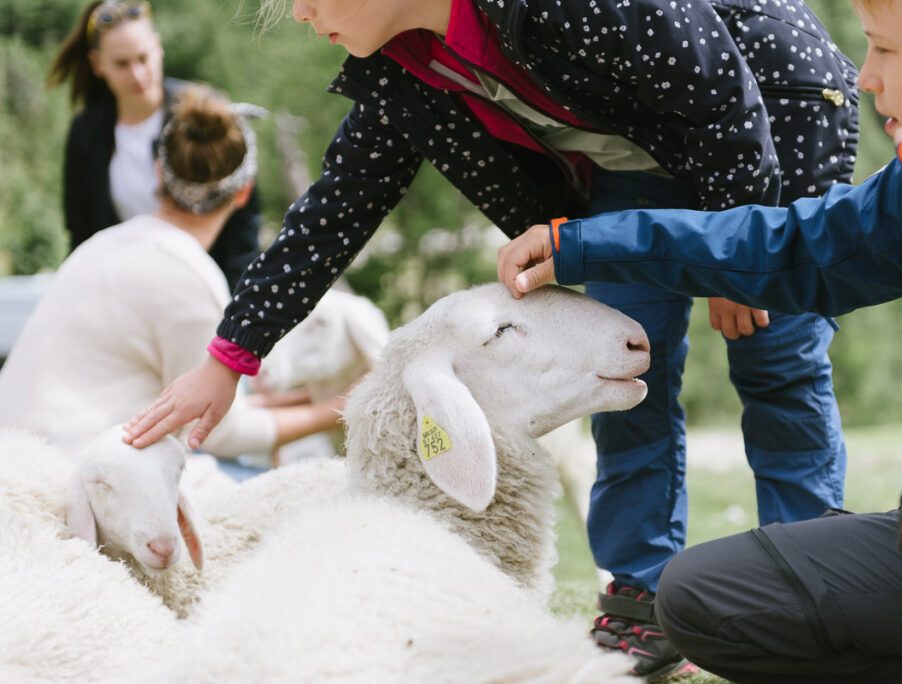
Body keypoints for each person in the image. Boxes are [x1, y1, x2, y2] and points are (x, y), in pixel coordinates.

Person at [123, 0, 859, 674]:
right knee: (626, 371)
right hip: (635, 157)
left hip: (771, 110)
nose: (305, 16)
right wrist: (229, 359)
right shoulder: (407, 69)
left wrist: (740, 257)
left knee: (775, 356)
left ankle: (807, 593)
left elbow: (717, 86)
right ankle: (644, 598)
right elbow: (334, 212)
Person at [496, 0, 902, 679]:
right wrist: (581, 244)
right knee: (703, 598)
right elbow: (784, 247)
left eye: (885, 50)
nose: (866, 78)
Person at [0, 87, 345, 462]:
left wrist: (303, 398)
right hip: (72, 471)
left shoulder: (101, 244)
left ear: (159, 170)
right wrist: (341, 405)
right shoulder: (191, 278)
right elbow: (217, 432)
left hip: (18, 454)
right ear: (243, 192)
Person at [49, 0, 261, 289]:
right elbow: (81, 232)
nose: (137, 74)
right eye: (122, 63)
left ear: (158, 48)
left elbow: (243, 222)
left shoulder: (200, 113)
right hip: (123, 294)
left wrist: (233, 309)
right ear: (97, 64)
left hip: (205, 285)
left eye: (143, 58)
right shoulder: (86, 132)